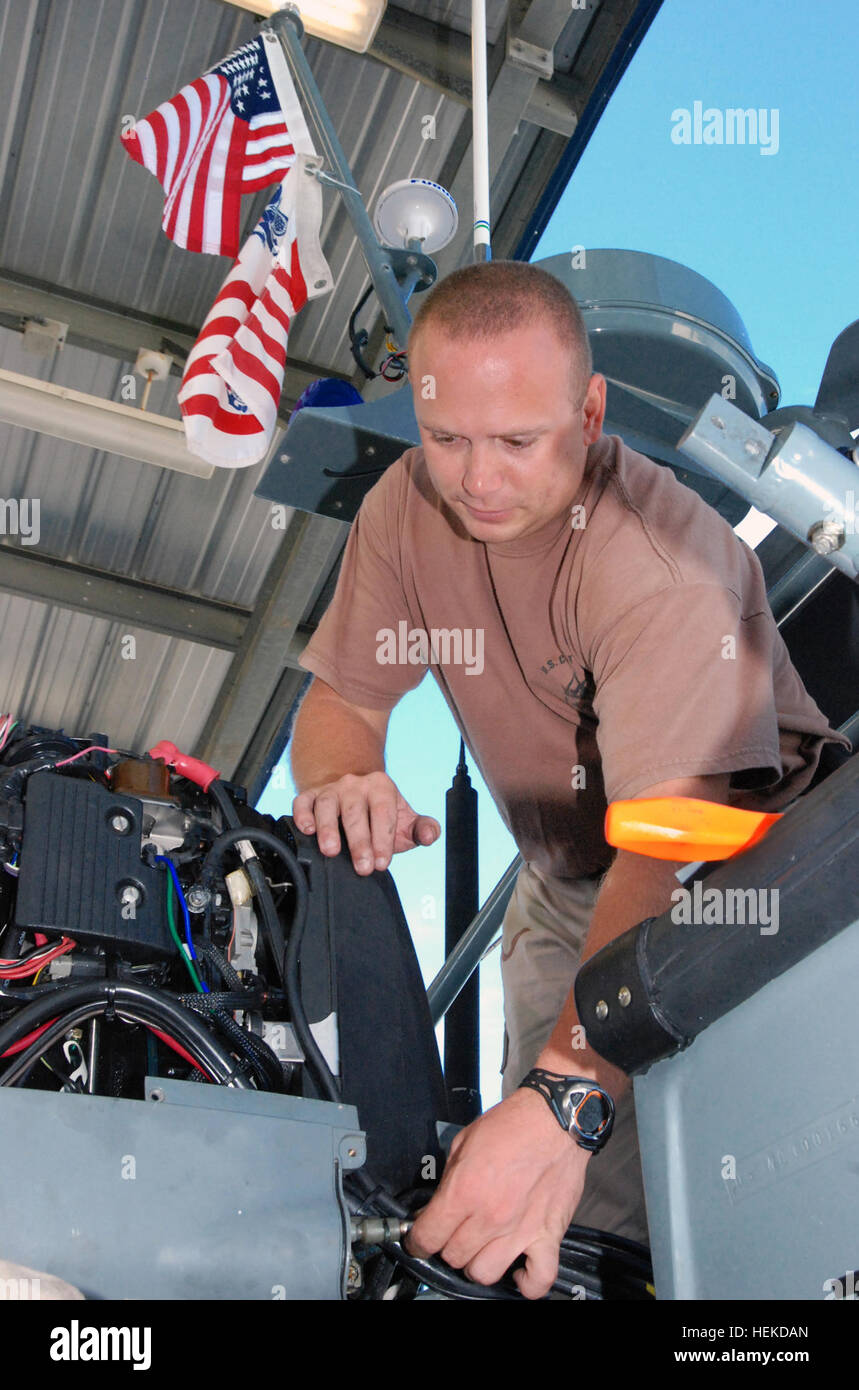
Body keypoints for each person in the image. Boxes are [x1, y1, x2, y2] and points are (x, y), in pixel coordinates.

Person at [289, 260, 850, 1299]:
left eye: (516, 441)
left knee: (765, 1194)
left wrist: (564, 1102)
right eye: (448, 438)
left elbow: (665, 849)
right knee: (569, 1238)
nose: (478, 481)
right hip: (565, 875)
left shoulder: (657, 558)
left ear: (589, 412)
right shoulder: (403, 511)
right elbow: (340, 705)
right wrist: (346, 776)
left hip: (743, 864)